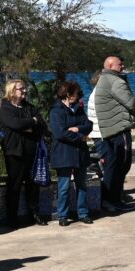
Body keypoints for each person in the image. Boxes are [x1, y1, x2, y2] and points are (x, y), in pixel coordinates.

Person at [95, 56, 135, 213]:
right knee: (121, 165)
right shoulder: (115, 81)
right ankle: (113, 200)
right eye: (120, 64)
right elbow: (130, 102)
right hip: (119, 128)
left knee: (113, 165)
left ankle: (110, 200)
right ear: (110, 65)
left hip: (109, 129)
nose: (123, 66)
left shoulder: (103, 79)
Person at [0, 79, 48, 228]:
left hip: (31, 151)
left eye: (24, 88)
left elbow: (41, 124)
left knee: (33, 184)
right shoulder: (6, 108)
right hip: (15, 152)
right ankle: (11, 217)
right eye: (21, 89)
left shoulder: (29, 107)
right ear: (12, 91)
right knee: (15, 184)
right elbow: (14, 124)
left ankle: (34, 214)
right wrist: (30, 122)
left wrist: (29, 124)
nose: (25, 91)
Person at [50, 81, 95, 226]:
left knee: (81, 185)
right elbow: (60, 133)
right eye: (76, 93)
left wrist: (77, 128)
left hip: (80, 153)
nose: (78, 96)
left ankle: (83, 213)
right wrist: (81, 137)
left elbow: (89, 125)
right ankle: (63, 215)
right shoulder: (56, 111)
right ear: (68, 94)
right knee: (63, 186)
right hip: (64, 154)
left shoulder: (78, 109)